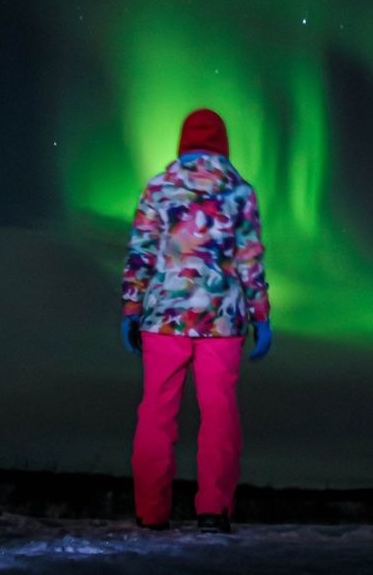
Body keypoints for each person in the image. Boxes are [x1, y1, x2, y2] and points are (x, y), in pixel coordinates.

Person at [120, 108, 272, 534]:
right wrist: (261, 315)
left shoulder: (158, 188)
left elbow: (141, 253)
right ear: (223, 145)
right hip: (222, 320)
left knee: (155, 415)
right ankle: (213, 512)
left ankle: (151, 514)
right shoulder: (240, 192)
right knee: (219, 414)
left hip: (162, 318)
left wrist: (131, 308)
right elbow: (249, 259)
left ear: (183, 144)